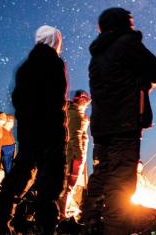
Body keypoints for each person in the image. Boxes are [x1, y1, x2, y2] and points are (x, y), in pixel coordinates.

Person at [82, 7, 156, 234]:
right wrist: (145, 84)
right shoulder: (127, 43)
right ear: (123, 23)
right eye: (130, 21)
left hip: (100, 127)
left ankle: (89, 224)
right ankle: (114, 229)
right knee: (121, 181)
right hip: (125, 125)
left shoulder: (96, 55)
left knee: (100, 176)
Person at [0, 25, 67, 234]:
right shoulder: (53, 62)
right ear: (54, 42)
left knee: (22, 172)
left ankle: (1, 219)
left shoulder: (26, 66)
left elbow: (18, 98)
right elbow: (56, 98)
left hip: (29, 131)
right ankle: (46, 225)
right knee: (50, 179)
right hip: (49, 130)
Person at [59, 90, 91, 219]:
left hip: (74, 154)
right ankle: (62, 214)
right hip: (75, 155)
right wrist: (80, 156)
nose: (87, 104)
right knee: (69, 185)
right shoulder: (76, 114)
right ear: (82, 100)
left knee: (69, 185)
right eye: (86, 102)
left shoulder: (76, 113)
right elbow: (75, 136)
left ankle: (64, 211)